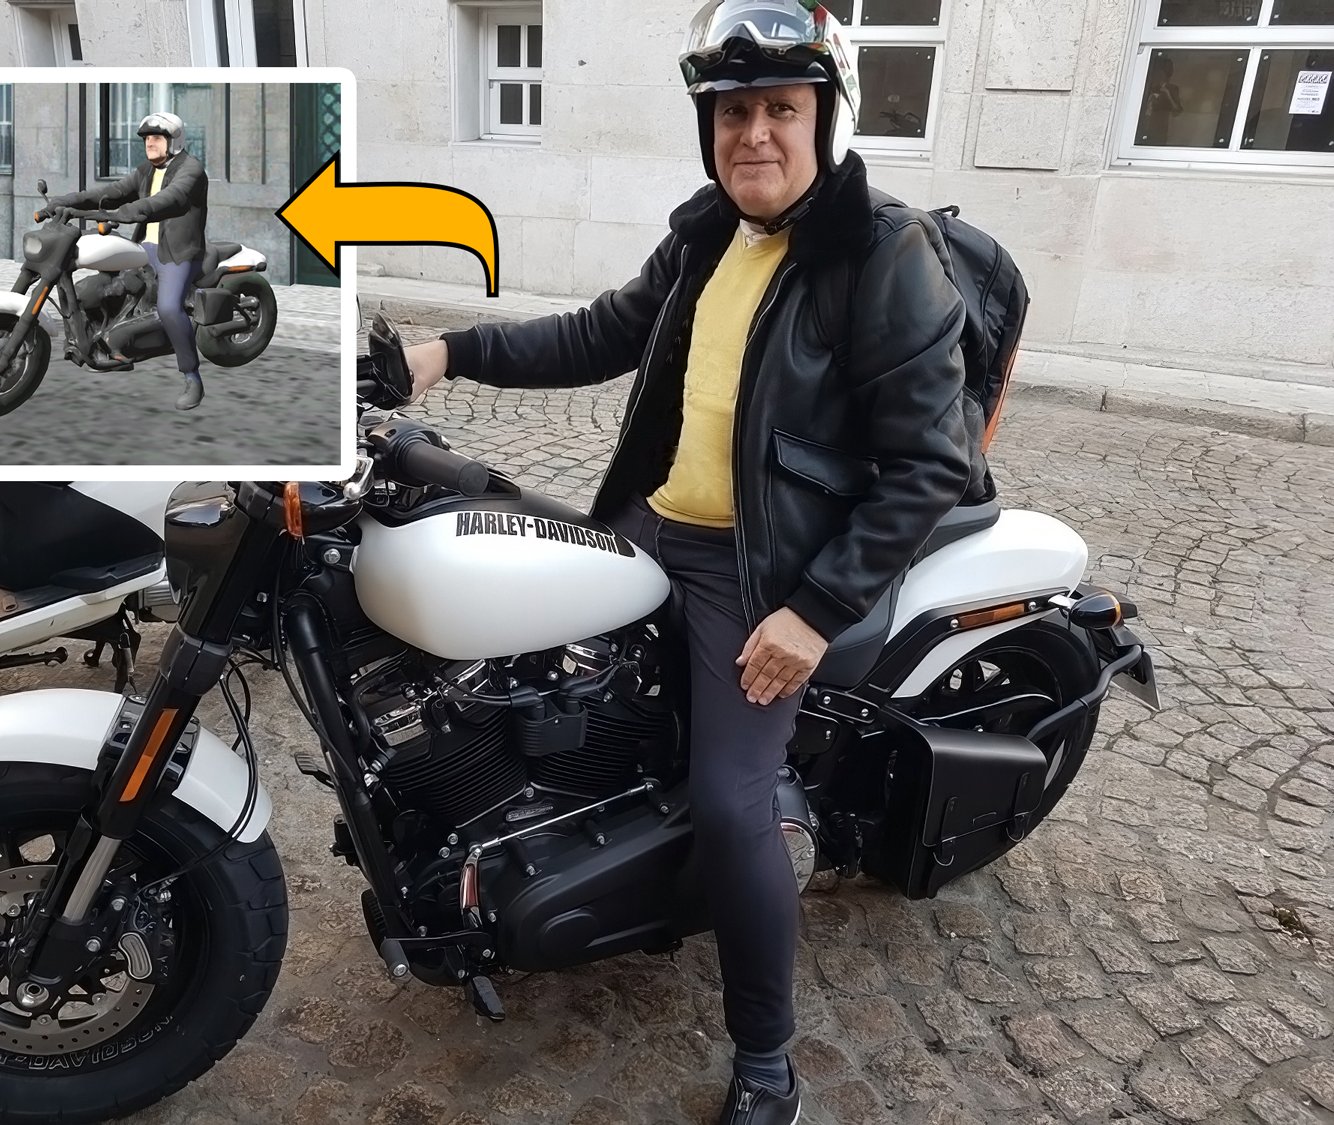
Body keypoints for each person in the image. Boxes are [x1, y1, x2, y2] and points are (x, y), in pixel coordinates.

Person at [406, 2, 972, 1121]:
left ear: (826, 119)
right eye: (732, 112)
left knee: (730, 799)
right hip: (654, 525)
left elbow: (929, 464)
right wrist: (444, 351)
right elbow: (599, 333)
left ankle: (767, 1058)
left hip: (757, 571)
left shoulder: (882, 254)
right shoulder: (709, 233)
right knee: (517, 675)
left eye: (781, 110)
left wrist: (813, 610)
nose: (753, 133)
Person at [49, 112, 209, 410]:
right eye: (147, 139)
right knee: (96, 288)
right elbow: (111, 192)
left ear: (174, 141)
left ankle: (192, 377)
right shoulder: (146, 171)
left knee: (168, 308)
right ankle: (103, 345)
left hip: (177, 253)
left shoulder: (192, 170)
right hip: (143, 249)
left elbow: (171, 200)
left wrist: (129, 211)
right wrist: (66, 201)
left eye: (156, 138)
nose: (149, 143)